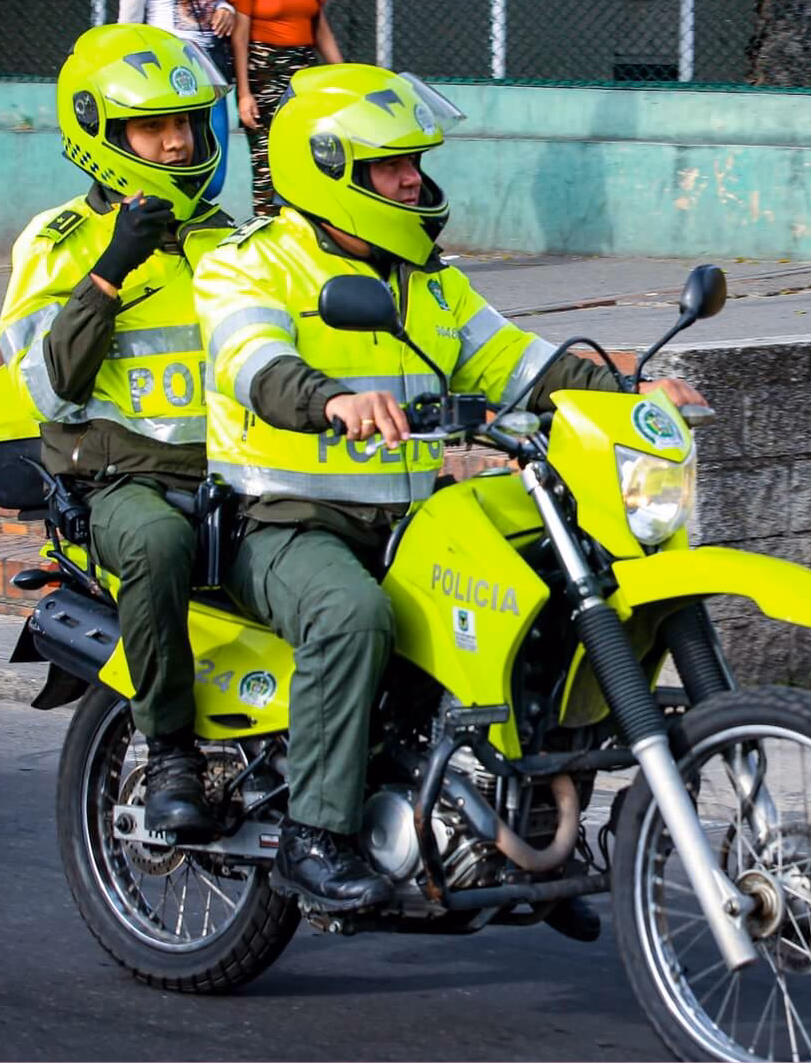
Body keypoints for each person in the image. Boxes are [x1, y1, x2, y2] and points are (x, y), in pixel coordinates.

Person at [193, 65, 704, 925]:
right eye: (391, 168)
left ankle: (540, 824)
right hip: (284, 521)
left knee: (545, 595)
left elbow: (515, 363)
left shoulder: (424, 279)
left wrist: (627, 386)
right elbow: (256, 368)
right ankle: (315, 840)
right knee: (350, 616)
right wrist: (333, 400)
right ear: (331, 171)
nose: (415, 183)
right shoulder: (250, 266)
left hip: (408, 519)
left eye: (415, 165)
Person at [0, 23, 235, 841]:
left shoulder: (230, 237)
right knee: (159, 547)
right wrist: (109, 271)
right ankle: (170, 751)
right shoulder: (57, 243)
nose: (176, 143)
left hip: (240, 476)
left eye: (187, 124)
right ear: (100, 132)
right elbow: (49, 387)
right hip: (123, 484)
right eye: (153, 128)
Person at [119, 0, 235, 203]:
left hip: (209, 66)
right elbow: (129, 19)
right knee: (171, 158)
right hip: (165, 67)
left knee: (213, 169)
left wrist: (226, 9)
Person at [228, 0, 345, 216]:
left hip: (303, 74)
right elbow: (239, 37)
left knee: (304, 154)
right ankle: (267, 233)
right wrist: (244, 94)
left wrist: (345, 76)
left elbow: (320, 29)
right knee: (266, 162)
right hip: (263, 73)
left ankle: (302, 232)